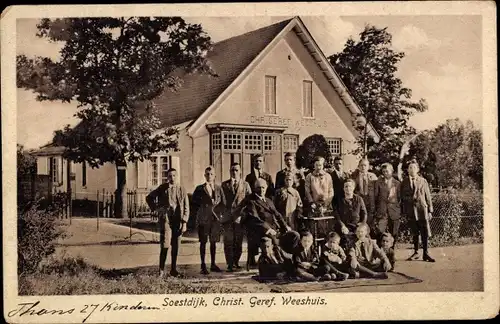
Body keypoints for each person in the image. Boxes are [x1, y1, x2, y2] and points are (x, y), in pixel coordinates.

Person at [146, 168, 189, 278]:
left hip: (177, 221)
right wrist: (156, 209)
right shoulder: (162, 188)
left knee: (176, 246)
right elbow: (149, 198)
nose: (172, 178)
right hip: (166, 220)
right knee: (165, 245)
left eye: (174, 176)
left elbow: (186, 207)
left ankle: (173, 270)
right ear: (167, 177)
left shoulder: (181, 189)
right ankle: (161, 270)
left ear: (177, 176)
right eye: (170, 176)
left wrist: (184, 223)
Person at [243, 178, 290, 269]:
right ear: (255, 189)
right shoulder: (252, 201)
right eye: (259, 188)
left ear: (266, 188)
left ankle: (287, 261)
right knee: (274, 240)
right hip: (259, 230)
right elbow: (255, 219)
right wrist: (268, 230)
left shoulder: (268, 200)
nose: (261, 190)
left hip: (272, 228)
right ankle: (278, 264)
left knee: (290, 235)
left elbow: (277, 214)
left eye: (263, 188)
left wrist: (285, 226)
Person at [192, 166, 226, 275]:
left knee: (213, 242)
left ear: (215, 175)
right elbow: (194, 204)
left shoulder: (218, 188)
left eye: (211, 174)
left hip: (214, 220)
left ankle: (213, 264)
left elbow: (223, 204)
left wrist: (220, 216)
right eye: (207, 174)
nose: (209, 176)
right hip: (203, 219)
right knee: (203, 242)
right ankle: (203, 265)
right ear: (204, 175)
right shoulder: (199, 189)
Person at [401, 160, 435, 262]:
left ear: (418, 169)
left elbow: (427, 196)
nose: (412, 170)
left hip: (422, 210)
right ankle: (416, 252)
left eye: (414, 168)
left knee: (424, 231)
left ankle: (426, 253)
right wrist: (410, 200)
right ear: (407, 170)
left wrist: (430, 210)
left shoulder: (423, 181)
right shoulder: (404, 182)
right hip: (411, 211)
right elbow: (403, 196)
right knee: (414, 232)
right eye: (410, 168)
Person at [221, 162, 252, 272]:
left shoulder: (245, 185)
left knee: (238, 241)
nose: (234, 172)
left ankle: (236, 262)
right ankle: (229, 264)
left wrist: (242, 215)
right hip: (228, 218)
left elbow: (249, 202)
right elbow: (221, 202)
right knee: (228, 241)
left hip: (240, 218)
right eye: (232, 170)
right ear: (230, 172)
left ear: (240, 172)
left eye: (236, 170)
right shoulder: (224, 185)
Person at [373, 163, 402, 245]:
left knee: (394, 233)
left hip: (394, 211)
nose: (385, 173)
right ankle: (380, 254)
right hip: (382, 211)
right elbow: (376, 197)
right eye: (383, 171)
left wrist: (398, 208)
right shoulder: (378, 183)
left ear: (392, 171)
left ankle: (392, 253)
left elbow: (400, 198)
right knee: (380, 232)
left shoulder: (397, 183)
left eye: (387, 171)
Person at [334, 179, 368, 248]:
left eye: (350, 186)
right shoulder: (339, 200)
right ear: (343, 188)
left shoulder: (359, 199)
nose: (348, 188)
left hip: (357, 226)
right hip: (345, 227)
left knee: (366, 239)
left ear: (353, 187)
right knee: (346, 239)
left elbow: (364, 213)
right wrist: (342, 226)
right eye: (346, 186)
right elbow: (336, 215)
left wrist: (362, 225)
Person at [351, 158, 378, 230]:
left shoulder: (373, 176)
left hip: (370, 202)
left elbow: (377, 191)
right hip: (359, 202)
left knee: (369, 223)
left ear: (368, 166)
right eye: (361, 165)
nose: (363, 167)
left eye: (365, 165)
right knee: (360, 222)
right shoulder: (354, 176)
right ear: (358, 166)